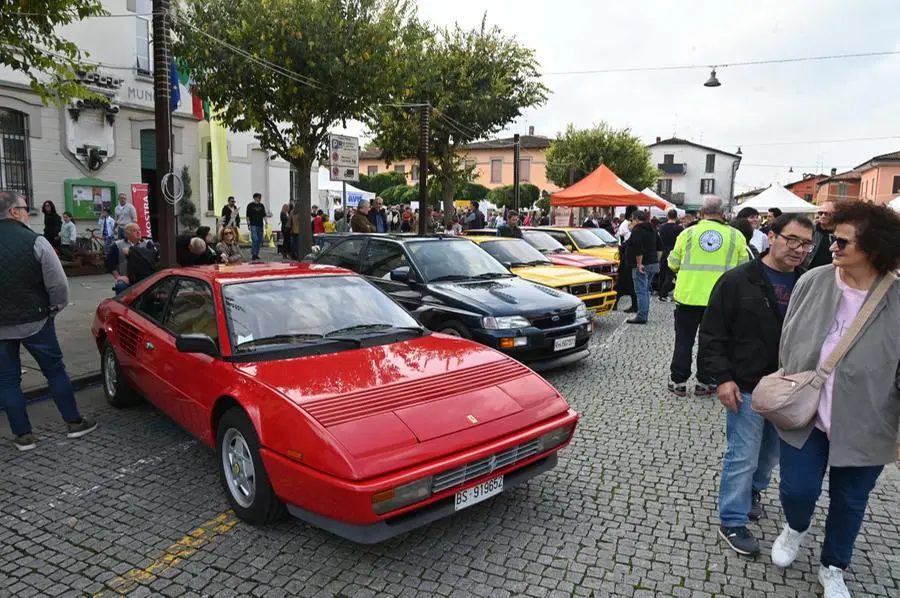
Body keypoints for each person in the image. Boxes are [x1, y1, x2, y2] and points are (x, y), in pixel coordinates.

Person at [770, 202, 900, 598]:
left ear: (873, 247)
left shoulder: (897, 299)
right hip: (805, 415)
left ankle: (833, 567)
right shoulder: (813, 281)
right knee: (797, 490)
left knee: (850, 501)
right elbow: (788, 337)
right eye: (832, 238)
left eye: (841, 240)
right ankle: (795, 526)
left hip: (869, 422)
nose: (831, 246)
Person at [699, 214, 814, 558]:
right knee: (743, 455)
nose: (798, 249)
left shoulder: (808, 284)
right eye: (791, 239)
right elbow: (712, 333)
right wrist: (721, 378)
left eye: (806, 243)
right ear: (771, 236)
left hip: (789, 389)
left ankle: (752, 493)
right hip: (746, 384)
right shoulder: (737, 280)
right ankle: (732, 520)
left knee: (771, 455)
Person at [0, 191, 97, 451]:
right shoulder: (35, 242)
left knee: (7, 381)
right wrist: (53, 309)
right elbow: (59, 285)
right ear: (13, 212)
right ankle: (74, 422)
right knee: (54, 370)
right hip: (36, 320)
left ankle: (23, 436)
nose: (27, 213)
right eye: (24, 208)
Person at [667, 196, 749, 397]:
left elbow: (672, 262)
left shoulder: (687, 234)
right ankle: (705, 381)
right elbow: (744, 268)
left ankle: (678, 382)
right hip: (720, 300)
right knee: (711, 343)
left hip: (688, 296)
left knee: (684, 340)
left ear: (701, 213)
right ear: (723, 214)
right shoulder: (735, 236)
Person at [625, 210, 660, 324]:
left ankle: (642, 316)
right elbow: (660, 246)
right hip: (653, 263)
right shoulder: (652, 228)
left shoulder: (637, 230)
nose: (631, 222)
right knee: (646, 291)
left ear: (635, 219)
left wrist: (639, 264)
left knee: (641, 291)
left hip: (642, 264)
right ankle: (644, 313)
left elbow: (638, 248)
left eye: (632, 220)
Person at [107, 223, 150, 293]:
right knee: (120, 286)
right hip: (127, 278)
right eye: (134, 230)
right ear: (127, 233)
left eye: (139, 230)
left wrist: (131, 252)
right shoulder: (117, 245)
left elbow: (153, 259)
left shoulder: (147, 243)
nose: (138, 232)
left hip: (145, 278)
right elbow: (110, 263)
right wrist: (118, 277)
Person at [615, 205, 638, 313]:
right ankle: (615, 303)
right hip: (626, 255)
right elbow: (626, 240)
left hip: (628, 255)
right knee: (625, 281)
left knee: (628, 282)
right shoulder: (626, 225)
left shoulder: (629, 224)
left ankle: (634, 305)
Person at [657, 209, 683, 302]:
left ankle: (660, 293)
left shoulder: (662, 227)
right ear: (676, 217)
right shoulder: (679, 228)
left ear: (667, 216)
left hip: (664, 252)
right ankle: (663, 295)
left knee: (662, 273)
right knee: (670, 275)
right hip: (673, 252)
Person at [804, 199, 837, 269]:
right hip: (806, 272)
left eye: (827, 213)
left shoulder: (840, 234)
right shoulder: (809, 230)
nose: (823, 216)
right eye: (820, 213)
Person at [245, 193, 266, 261]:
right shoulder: (250, 205)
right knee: (255, 239)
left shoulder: (262, 205)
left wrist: (266, 222)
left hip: (260, 225)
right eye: (259, 197)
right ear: (255, 198)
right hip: (253, 225)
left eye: (260, 198)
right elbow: (247, 216)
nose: (260, 199)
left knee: (259, 240)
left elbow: (264, 215)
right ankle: (253, 254)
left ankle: (256, 254)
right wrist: (248, 224)